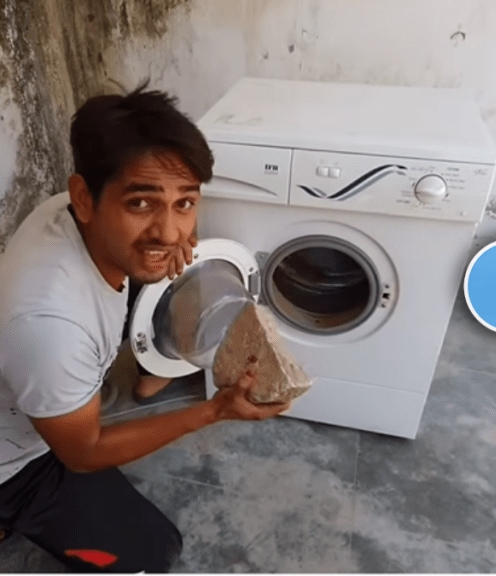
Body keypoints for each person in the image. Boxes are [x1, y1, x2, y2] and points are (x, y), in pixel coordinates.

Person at [0, 83, 291, 573]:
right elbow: (84, 452)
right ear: (84, 197)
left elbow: (167, 227)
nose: (171, 231)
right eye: (141, 204)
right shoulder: (50, 325)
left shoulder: (68, 214)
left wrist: (168, 234)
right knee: (152, 553)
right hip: (15, 465)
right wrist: (213, 410)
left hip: (34, 405)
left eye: (185, 203)